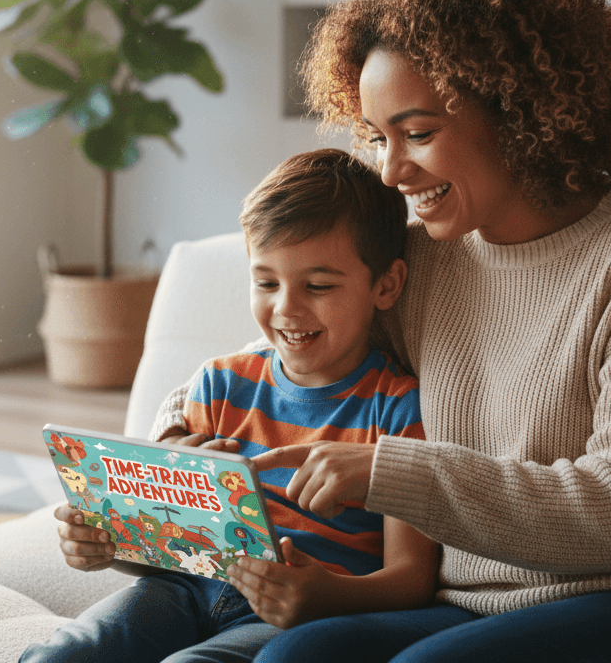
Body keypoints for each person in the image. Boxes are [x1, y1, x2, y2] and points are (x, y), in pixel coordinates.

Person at [149, 0, 611, 663]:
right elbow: (299, 340)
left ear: (518, 109)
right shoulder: (426, 261)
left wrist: (388, 472)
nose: (391, 172)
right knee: (292, 658)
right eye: (376, 137)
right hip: (473, 604)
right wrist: (181, 428)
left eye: (417, 133)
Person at [26, 149, 438, 663]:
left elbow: (413, 577)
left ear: (386, 285)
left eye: (318, 285)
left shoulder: (398, 409)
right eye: (266, 282)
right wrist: (108, 544)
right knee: (64, 656)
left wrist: (323, 595)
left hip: (296, 618)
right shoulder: (218, 385)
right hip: (182, 591)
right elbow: (168, 550)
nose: (286, 307)